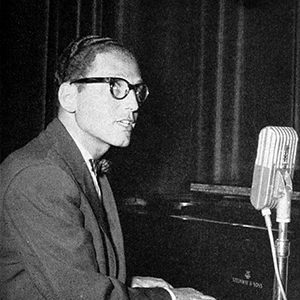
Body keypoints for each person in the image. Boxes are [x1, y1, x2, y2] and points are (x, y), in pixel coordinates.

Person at [0, 35, 216, 300]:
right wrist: (170, 298)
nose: (134, 105)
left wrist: (132, 283)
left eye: (137, 91)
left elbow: (71, 272)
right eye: (116, 86)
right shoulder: (40, 175)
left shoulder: (84, 168)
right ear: (69, 96)